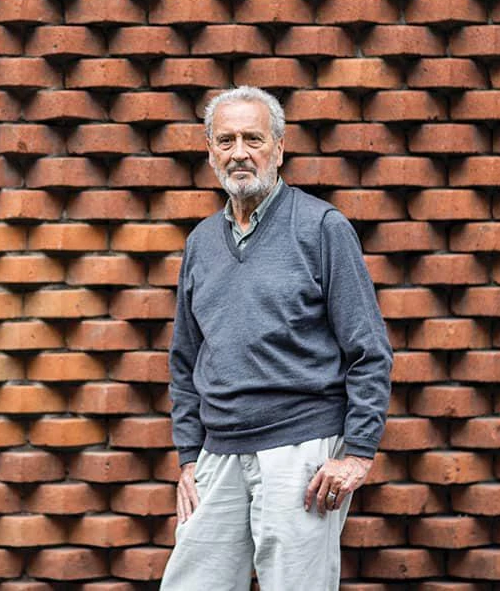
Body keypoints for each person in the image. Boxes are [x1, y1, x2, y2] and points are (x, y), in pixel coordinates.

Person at [159, 86, 393, 590]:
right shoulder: (200, 243)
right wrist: (188, 458)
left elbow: (369, 351)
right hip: (218, 453)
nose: (239, 153)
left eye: (253, 139)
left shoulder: (322, 228)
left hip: (301, 451)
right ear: (210, 151)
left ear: (279, 148)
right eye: (226, 140)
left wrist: (358, 453)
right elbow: (185, 361)